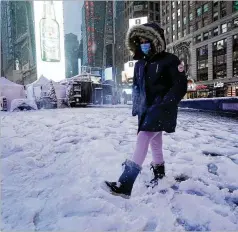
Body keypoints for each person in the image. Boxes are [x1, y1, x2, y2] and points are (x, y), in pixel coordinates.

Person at [101, 22, 188, 199]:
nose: (143, 44)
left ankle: (125, 184)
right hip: (146, 110)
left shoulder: (170, 60)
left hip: (161, 109)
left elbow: (180, 85)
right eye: (140, 41)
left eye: (146, 40)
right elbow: (136, 88)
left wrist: (164, 103)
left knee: (143, 139)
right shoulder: (139, 64)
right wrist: (136, 106)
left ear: (155, 40)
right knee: (156, 143)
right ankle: (159, 175)